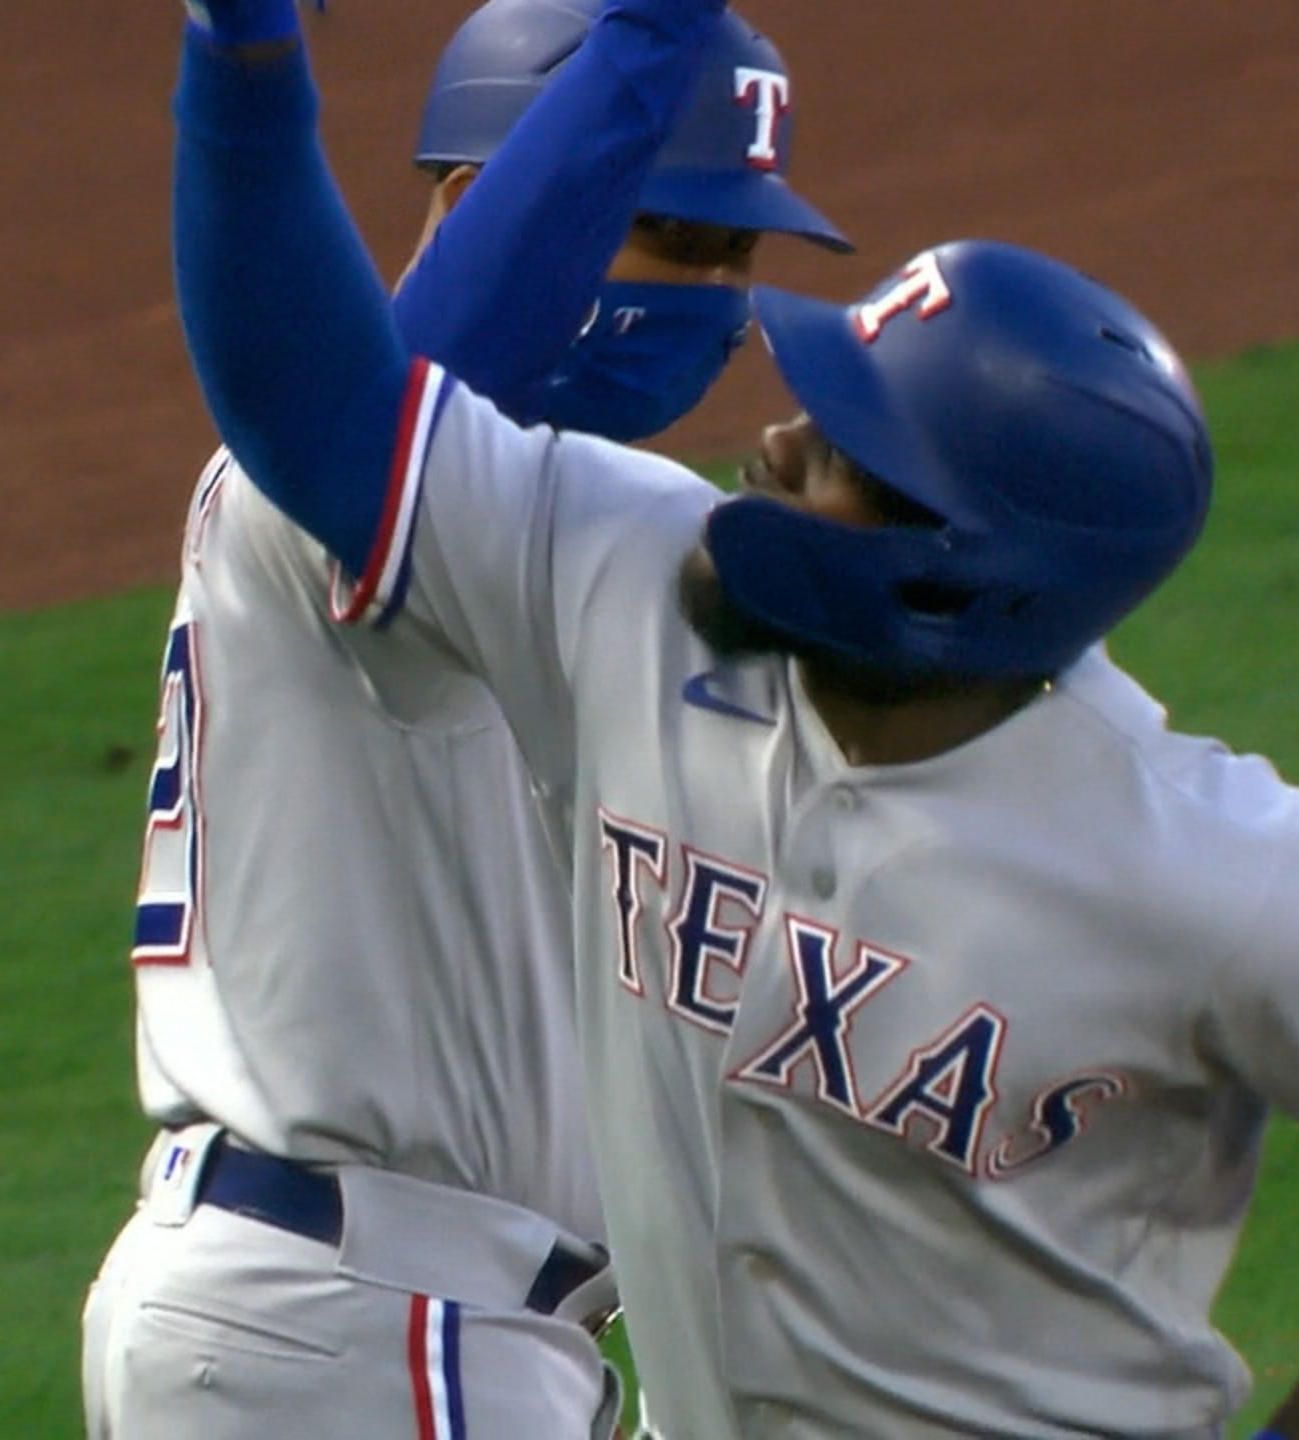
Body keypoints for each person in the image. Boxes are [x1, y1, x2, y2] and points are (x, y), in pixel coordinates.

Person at [165, 3, 1299, 1437]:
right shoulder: (628, 586)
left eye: (838, 452)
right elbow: (328, 411)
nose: (769, 440)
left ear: (948, 571)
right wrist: (246, 69)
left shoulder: (1203, 859)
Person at [79, 1, 848, 1436]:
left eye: (738, 256)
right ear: (480, 208)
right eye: (677, 241)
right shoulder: (316, 499)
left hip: (385, 1325)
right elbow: (431, 374)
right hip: (369, 1319)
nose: (717, 296)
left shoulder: (586, 537)